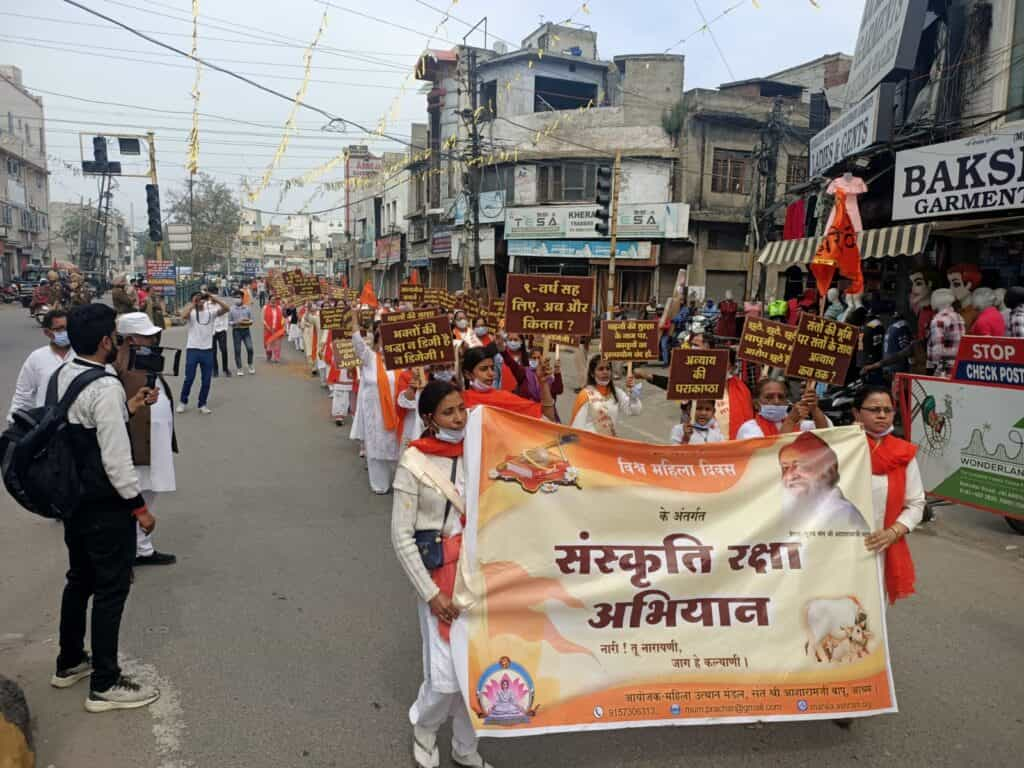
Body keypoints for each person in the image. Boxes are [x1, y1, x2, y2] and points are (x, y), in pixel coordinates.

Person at [50, 303, 161, 712]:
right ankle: (105, 684)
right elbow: (116, 461)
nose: (117, 342)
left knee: (79, 578)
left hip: (72, 500)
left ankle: (69, 662)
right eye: (114, 336)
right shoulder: (104, 385)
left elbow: (83, 427)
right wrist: (140, 510)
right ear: (104, 342)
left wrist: (130, 407)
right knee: (112, 588)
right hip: (103, 504)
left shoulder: (65, 373)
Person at [391, 381, 494, 768]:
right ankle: (424, 726)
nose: (459, 418)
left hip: (481, 575)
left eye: (462, 409)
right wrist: (430, 592)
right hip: (438, 575)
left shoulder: (479, 450)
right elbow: (401, 537)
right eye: (449, 412)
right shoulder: (413, 464)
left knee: (477, 668)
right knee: (446, 676)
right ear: (429, 418)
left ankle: (465, 747)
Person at [114, 312, 178, 567]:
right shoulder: (119, 365)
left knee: (150, 490)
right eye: (146, 336)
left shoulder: (144, 359)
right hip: (138, 439)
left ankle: (142, 548)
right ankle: (127, 549)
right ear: (130, 339)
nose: (153, 340)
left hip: (155, 437)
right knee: (134, 494)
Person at [852, 386, 925, 603]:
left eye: (888, 410)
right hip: (840, 548)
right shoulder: (844, 448)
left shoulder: (903, 453)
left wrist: (892, 533)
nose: (882, 415)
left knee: (873, 617)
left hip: (880, 548)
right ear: (857, 413)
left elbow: (916, 504)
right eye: (874, 409)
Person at [350, 312, 402, 494]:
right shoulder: (370, 358)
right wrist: (354, 318)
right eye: (384, 339)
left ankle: (399, 482)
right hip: (375, 413)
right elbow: (357, 341)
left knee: (397, 448)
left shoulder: (402, 361)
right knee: (376, 448)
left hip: (398, 412)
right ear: (378, 341)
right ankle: (379, 484)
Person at [777, 432, 869, 532]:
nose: (790, 476)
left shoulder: (841, 513)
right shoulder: (799, 510)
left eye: (801, 466)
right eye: (785, 468)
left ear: (825, 471)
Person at [7, 309, 73, 422]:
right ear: (47, 332)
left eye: (67, 328)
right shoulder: (36, 358)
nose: (64, 332)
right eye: (59, 329)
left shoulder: (82, 355)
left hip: (77, 425)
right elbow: (23, 394)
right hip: (46, 425)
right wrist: (14, 421)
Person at [461, 346, 554, 420]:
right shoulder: (459, 401)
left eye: (492, 368)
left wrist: (543, 384)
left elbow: (548, 418)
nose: (491, 373)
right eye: (484, 369)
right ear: (468, 374)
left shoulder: (505, 398)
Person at [176, 291, 229, 415]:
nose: (201, 301)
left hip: (207, 350)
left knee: (206, 380)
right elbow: (183, 316)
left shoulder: (211, 313)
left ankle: (202, 403)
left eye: (202, 299)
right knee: (189, 378)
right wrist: (193, 303)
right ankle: (183, 402)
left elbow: (226, 309)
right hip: (193, 349)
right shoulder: (192, 313)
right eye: (198, 299)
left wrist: (214, 299)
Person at [569, 355, 642, 437]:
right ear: (592, 374)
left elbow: (634, 411)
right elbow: (576, 426)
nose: (605, 372)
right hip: (589, 444)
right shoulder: (585, 395)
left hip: (608, 444)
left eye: (608, 368)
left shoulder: (617, 392)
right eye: (601, 369)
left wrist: (633, 397)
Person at [735, 377, 828, 439]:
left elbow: (825, 434)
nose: (776, 401)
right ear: (756, 404)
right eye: (769, 397)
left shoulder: (800, 424)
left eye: (781, 397)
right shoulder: (749, 428)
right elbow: (775, 453)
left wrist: (814, 408)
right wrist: (790, 421)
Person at [926, 289, 964, 377]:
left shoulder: (938, 320)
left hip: (943, 371)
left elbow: (937, 353)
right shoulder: (959, 317)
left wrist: (932, 372)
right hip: (958, 369)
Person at [229, 292, 256, 375]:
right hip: (236, 331)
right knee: (237, 350)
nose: (237, 299)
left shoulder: (247, 308)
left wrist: (248, 322)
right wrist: (236, 322)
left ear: (242, 298)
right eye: (236, 297)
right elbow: (229, 321)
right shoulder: (231, 309)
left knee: (250, 348)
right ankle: (239, 368)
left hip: (246, 330)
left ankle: (250, 364)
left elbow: (251, 319)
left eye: (239, 297)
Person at [211, 295, 232, 379]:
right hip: (211, 331)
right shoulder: (206, 305)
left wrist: (218, 301)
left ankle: (225, 368)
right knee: (213, 351)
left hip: (222, 329)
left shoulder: (222, 304)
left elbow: (227, 309)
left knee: (224, 349)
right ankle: (215, 369)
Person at [263, 295, 286, 363]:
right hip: (268, 329)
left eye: (274, 299)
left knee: (277, 344)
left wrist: (283, 326)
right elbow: (262, 319)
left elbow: (283, 317)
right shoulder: (265, 308)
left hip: (278, 329)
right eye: (272, 299)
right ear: (269, 300)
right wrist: (267, 327)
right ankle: (269, 354)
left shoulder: (279, 307)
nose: (273, 300)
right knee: (268, 345)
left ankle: (277, 358)